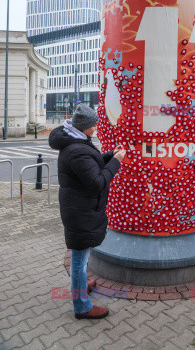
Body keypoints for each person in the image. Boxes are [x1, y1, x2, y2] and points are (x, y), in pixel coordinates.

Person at [49, 104, 125, 319]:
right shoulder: (77, 150)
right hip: (80, 210)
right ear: (84, 127)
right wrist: (117, 162)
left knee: (82, 255)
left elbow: (93, 164)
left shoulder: (77, 142)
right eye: (93, 125)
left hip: (80, 208)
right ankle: (82, 306)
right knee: (79, 259)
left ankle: (81, 287)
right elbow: (97, 182)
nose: (96, 128)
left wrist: (110, 154)